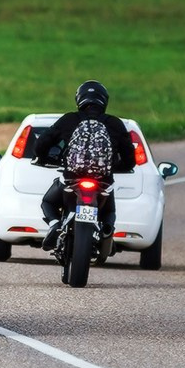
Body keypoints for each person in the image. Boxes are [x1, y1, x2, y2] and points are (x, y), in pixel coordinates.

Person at [31, 80, 136, 250]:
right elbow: (129, 157)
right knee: (109, 212)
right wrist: (121, 166)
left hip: (71, 179)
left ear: (79, 99)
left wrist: (42, 158)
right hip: (103, 181)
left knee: (48, 202)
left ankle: (55, 224)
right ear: (104, 101)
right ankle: (107, 231)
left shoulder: (69, 120)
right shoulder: (114, 123)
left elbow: (42, 143)